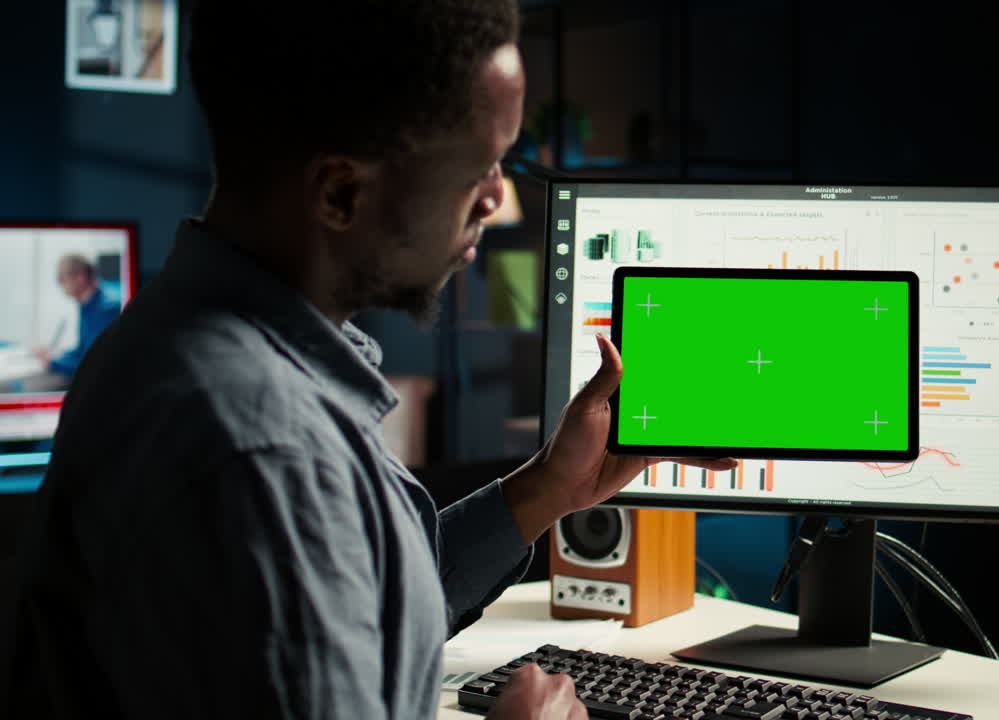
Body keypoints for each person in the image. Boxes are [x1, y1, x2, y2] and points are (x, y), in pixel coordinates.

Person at [1, 1, 735, 718]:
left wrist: (550, 487)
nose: (494, 199)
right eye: (478, 167)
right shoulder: (265, 448)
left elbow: (364, 599)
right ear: (342, 191)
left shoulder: (179, 340)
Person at [26, 254, 121, 389]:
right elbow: (83, 350)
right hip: (92, 377)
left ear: (80, 277)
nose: (59, 283)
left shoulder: (105, 309)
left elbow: (93, 366)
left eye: (61, 278)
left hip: (103, 384)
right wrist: (57, 356)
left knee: (29, 387)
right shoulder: (88, 304)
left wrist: (53, 363)